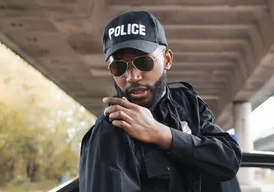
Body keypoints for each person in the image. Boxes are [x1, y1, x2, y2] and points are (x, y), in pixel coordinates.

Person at [78, 10, 242, 192]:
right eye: (119, 66)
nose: (132, 76)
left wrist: (164, 135)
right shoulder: (112, 129)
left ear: (167, 59)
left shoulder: (188, 104)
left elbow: (229, 161)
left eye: (144, 62)